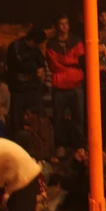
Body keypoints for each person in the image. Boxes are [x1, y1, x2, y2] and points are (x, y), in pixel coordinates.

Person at [46, 15, 85, 151]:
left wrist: (63, 61)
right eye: (61, 24)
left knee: (78, 117)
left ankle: (79, 146)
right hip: (59, 86)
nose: (64, 27)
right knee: (58, 118)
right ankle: (60, 146)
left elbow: (82, 60)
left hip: (76, 84)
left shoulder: (76, 41)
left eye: (66, 23)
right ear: (56, 26)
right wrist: (71, 62)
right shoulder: (51, 44)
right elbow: (53, 65)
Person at [6, 28, 46, 135]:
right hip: (18, 87)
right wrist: (34, 67)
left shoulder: (35, 49)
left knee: (38, 114)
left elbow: (41, 60)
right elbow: (17, 64)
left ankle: (39, 138)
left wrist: (41, 68)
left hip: (32, 86)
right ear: (32, 40)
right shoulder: (15, 46)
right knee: (17, 118)